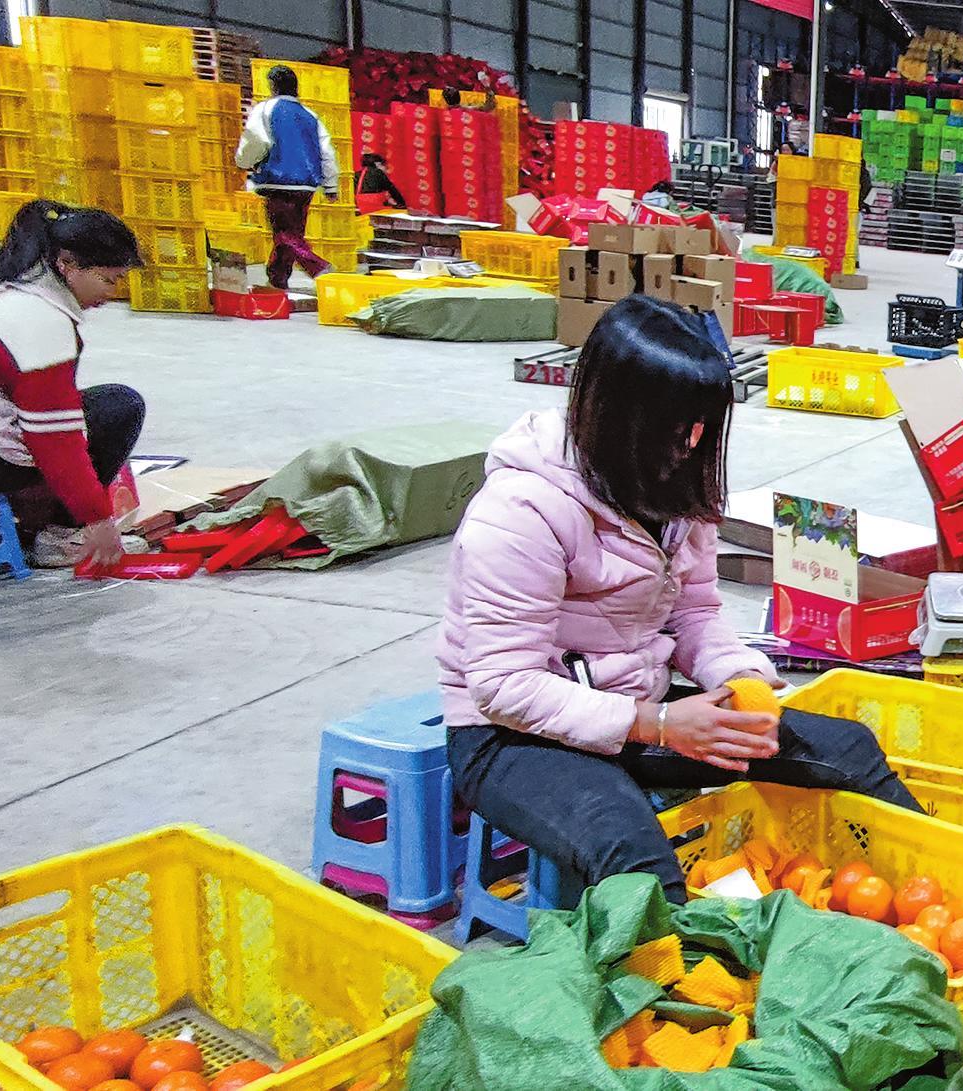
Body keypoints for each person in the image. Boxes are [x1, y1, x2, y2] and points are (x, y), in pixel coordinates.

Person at [437, 294, 922, 904]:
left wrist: (743, 679)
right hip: (511, 734)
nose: (692, 445)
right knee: (635, 855)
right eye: (676, 426)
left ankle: (938, 895)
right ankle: (687, 988)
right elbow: (503, 685)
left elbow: (695, 611)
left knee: (845, 748)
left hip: (639, 706)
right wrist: (661, 725)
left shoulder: (670, 487)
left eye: (701, 426)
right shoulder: (521, 512)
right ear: (616, 416)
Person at [0, 201, 148, 568]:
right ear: (67, 264)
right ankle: (60, 537)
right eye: (108, 279)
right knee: (119, 407)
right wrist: (97, 519)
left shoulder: (13, 285)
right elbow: (54, 438)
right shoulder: (38, 321)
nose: (111, 293)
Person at [235, 64, 341, 289]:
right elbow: (326, 151)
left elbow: (256, 140)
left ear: (272, 86)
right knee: (292, 233)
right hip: (306, 184)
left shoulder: (265, 109)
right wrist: (330, 185)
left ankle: (317, 266)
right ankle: (277, 278)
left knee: (284, 234)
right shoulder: (311, 116)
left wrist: (243, 163)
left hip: (277, 180)